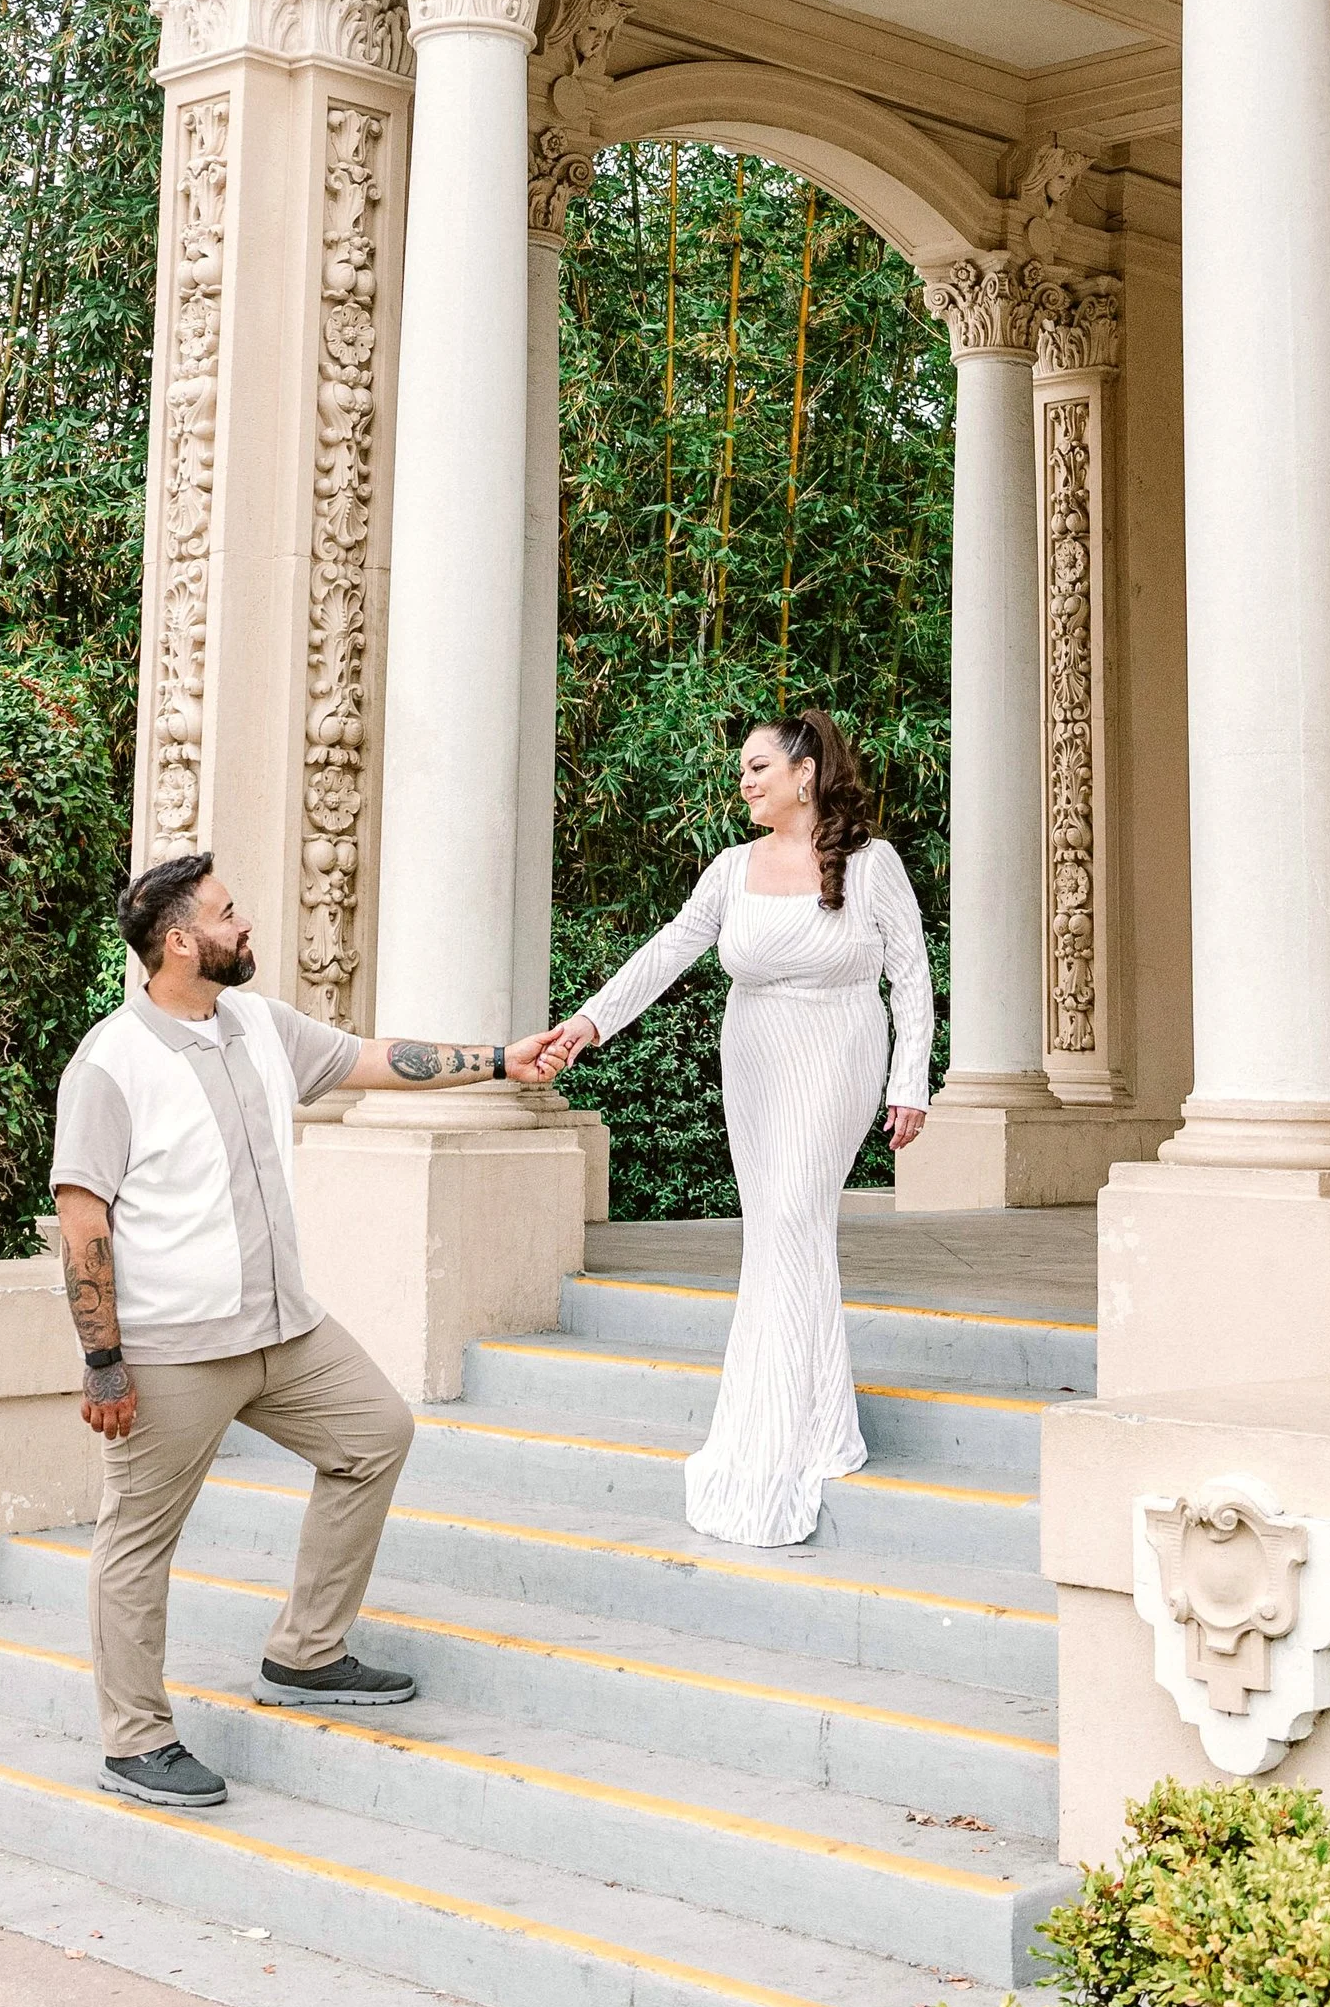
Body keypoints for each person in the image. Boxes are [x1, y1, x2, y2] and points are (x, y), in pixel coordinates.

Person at [52, 848, 560, 1810]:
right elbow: (84, 1224)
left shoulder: (256, 1024)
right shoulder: (110, 1064)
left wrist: (501, 1060)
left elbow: (374, 1060)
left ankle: (307, 1651)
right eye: (227, 913)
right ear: (178, 940)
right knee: (136, 1544)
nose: (245, 926)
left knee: (375, 1436)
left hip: (285, 1335)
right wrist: (105, 1364)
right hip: (173, 1355)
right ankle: (136, 1739)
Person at [538, 710, 934, 1551]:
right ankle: (824, 1422)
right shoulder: (729, 869)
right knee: (782, 1232)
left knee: (794, 1213)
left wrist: (911, 1082)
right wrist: (589, 1022)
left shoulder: (871, 865)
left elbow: (910, 976)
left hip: (839, 1045)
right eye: (743, 770)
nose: (745, 781)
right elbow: (670, 949)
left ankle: (782, 1429)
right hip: (754, 1051)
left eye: (759, 766)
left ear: (805, 772)